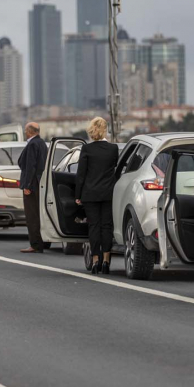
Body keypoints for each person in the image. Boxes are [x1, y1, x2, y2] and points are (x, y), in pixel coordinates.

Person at [75, 117, 119, 274]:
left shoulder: (87, 149)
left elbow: (81, 174)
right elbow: (115, 169)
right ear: (105, 129)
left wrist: (78, 195)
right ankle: (106, 261)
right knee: (106, 226)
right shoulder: (113, 149)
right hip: (108, 193)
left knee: (93, 226)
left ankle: (95, 261)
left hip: (90, 193)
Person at [17, 121, 48, 253]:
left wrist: (27, 185)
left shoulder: (32, 144)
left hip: (32, 184)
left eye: (25, 130)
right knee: (39, 214)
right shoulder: (42, 143)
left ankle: (35, 244)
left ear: (30, 131)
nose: (24, 132)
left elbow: (30, 166)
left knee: (32, 215)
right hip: (40, 183)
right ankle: (42, 242)